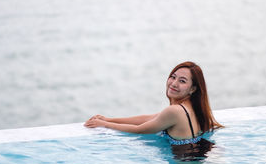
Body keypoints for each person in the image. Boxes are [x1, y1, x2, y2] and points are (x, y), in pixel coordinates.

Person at [84, 61, 223, 149]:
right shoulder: (191, 107)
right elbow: (149, 118)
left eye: (182, 81)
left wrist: (105, 125)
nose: (174, 83)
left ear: (193, 89)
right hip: (202, 151)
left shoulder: (175, 111)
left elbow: (140, 129)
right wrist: (108, 119)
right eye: (173, 77)